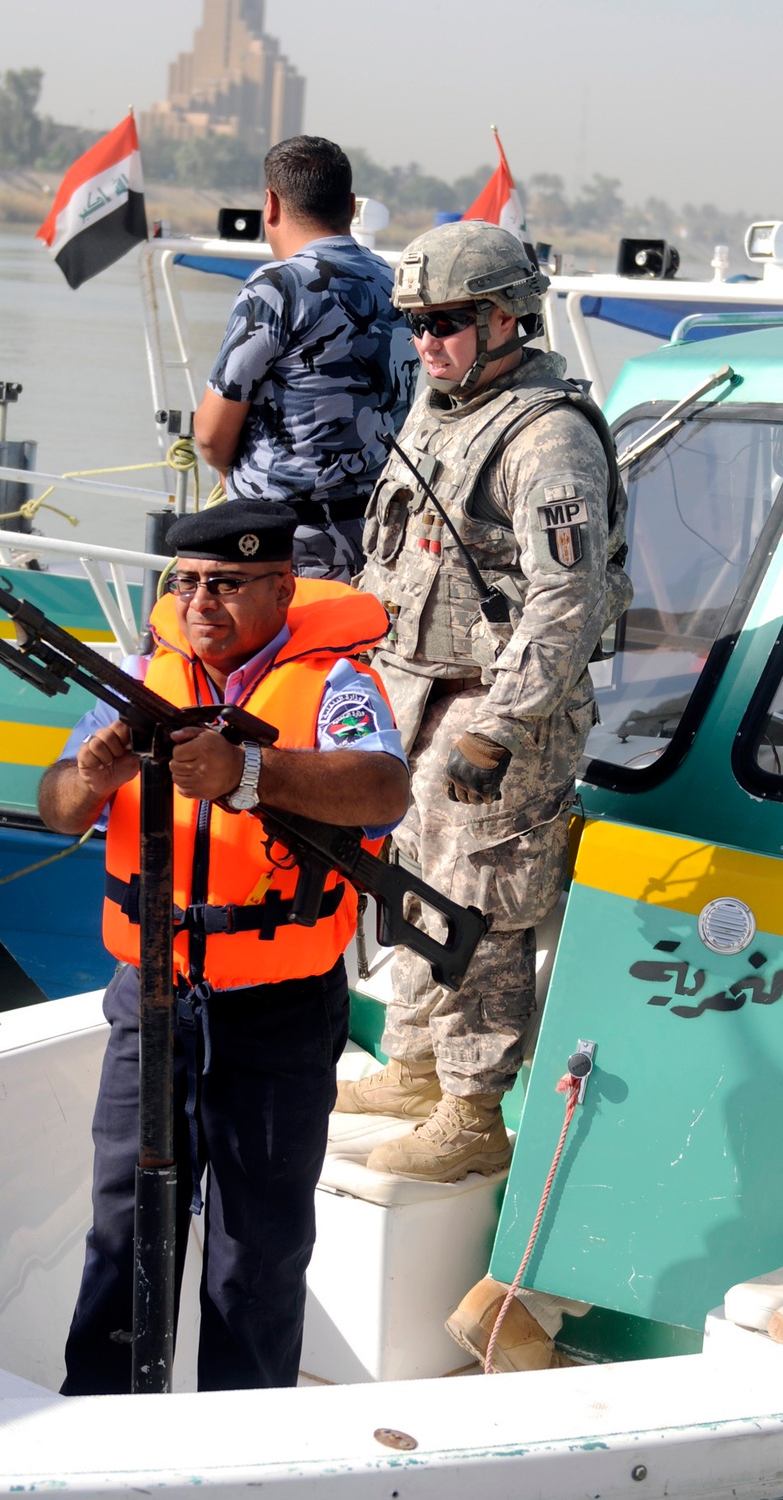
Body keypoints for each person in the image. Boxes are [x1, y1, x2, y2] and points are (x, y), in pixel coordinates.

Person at [39, 500, 409, 1394]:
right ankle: (99, 1433)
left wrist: (250, 772)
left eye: (230, 584)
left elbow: (383, 786)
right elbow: (53, 809)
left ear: (284, 585)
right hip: (151, 994)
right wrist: (90, 776)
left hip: (276, 1009)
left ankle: (239, 1451)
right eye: (189, 582)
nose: (203, 601)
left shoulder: (339, 687)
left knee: (258, 1251)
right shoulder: (135, 677)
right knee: (123, 1230)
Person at [339, 219, 632, 1183]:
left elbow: (568, 597)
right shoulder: (441, 407)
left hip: (501, 709)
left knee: (483, 901)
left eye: (450, 321)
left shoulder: (548, 436)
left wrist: (503, 725)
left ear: (509, 318)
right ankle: (418, 1067)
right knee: (418, 879)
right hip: (417, 694)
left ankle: (471, 1113)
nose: (428, 341)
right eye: (418, 322)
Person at [193, 135, 414, 583]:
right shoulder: (397, 284)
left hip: (282, 549)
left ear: (269, 204)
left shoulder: (277, 286)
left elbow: (213, 435)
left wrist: (225, 472)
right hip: (377, 544)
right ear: (351, 207)